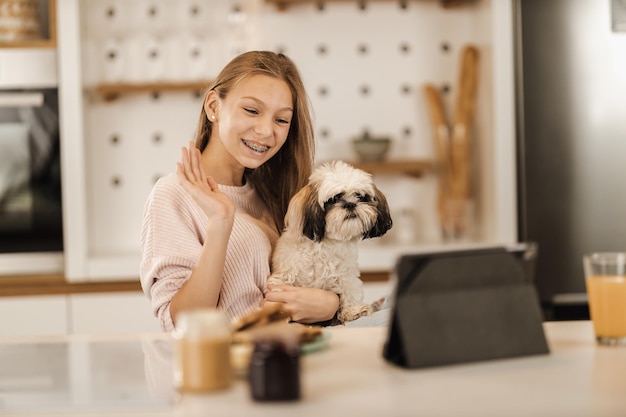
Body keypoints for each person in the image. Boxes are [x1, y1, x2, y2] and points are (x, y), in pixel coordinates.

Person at [140, 51, 342, 332]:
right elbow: (183, 323)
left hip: (289, 361)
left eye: (281, 120)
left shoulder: (272, 193)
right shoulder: (173, 194)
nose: (266, 131)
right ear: (214, 106)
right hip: (228, 370)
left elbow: (308, 281)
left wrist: (331, 304)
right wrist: (220, 222)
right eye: (252, 110)